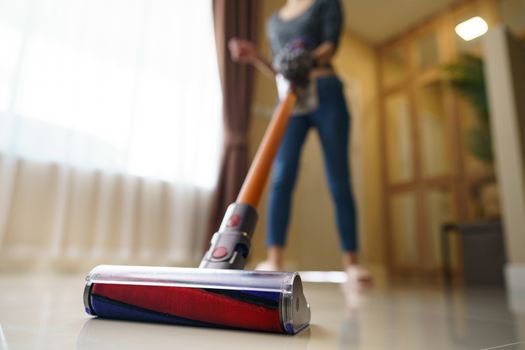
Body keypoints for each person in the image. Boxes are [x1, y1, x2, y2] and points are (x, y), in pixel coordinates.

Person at [229, 0, 370, 282]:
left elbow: (330, 46)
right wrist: (256, 57)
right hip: (291, 100)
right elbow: (278, 69)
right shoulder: (273, 22)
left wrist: (300, 61)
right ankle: (274, 259)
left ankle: (351, 262)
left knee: (338, 178)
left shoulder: (326, 4)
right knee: (282, 177)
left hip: (326, 91)